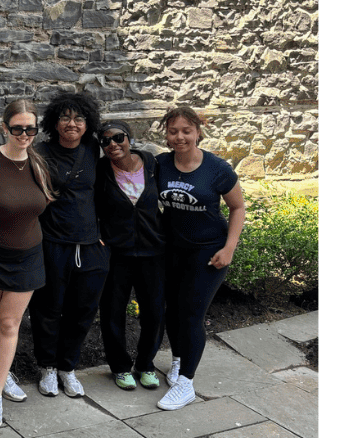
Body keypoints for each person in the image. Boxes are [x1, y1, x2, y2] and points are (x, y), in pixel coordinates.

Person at [29, 89, 130, 397]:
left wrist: (105, 232)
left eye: (79, 118)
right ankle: (47, 367)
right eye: (64, 117)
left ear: (88, 124)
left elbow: (113, 178)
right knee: (48, 309)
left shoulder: (91, 148)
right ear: (54, 122)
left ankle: (67, 367)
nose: (71, 124)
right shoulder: (40, 152)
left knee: (83, 310)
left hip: (91, 246)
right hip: (53, 242)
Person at [152, 105, 246, 411]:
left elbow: (237, 208)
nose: (179, 137)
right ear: (166, 135)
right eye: (173, 131)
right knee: (172, 310)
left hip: (208, 252)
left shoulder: (217, 168)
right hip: (172, 250)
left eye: (186, 131)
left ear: (198, 132)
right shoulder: (160, 164)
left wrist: (229, 248)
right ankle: (179, 360)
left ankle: (186, 384)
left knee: (192, 314)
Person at [0, 98, 54, 430]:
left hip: (29, 254)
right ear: (4, 128)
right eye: (17, 129)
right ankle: (0, 375)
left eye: (30, 129)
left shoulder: (39, 163)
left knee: (8, 322)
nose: (24, 135)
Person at [94, 116, 168, 391]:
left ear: (129, 138)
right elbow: (89, 204)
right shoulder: (101, 170)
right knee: (113, 311)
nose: (112, 145)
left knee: (154, 312)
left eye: (118, 138)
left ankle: (146, 364)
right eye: (105, 141)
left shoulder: (151, 163)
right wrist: (97, 235)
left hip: (153, 251)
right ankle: (120, 367)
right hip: (117, 253)